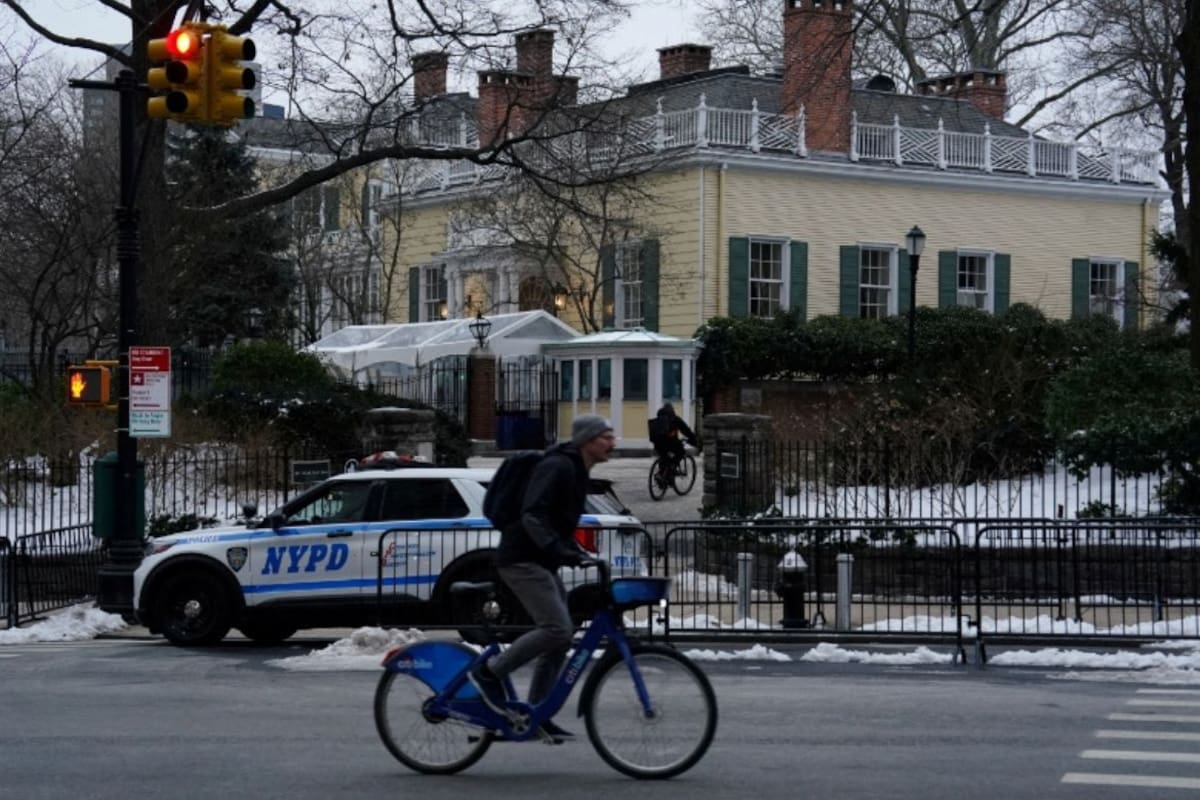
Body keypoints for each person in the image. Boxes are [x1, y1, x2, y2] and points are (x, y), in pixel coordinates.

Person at [469, 413, 616, 741]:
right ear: (588, 441)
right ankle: (488, 672)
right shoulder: (559, 466)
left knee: (561, 637)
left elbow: (556, 521)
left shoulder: (577, 470)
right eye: (606, 436)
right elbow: (532, 514)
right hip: (520, 558)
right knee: (556, 628)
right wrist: (560, 549)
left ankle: (537, 712)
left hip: (540, 560)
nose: (612, 442)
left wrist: (575, 552)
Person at [650, 402, 699, 483]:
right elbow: (686, 430)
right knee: (681, 452)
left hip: (657, 443)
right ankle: (671, 471)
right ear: (672, 410)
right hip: (670, 443)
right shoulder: (675, 419)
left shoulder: (658, 419)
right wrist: (694, 440)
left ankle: (662, 477)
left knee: (664, 457)